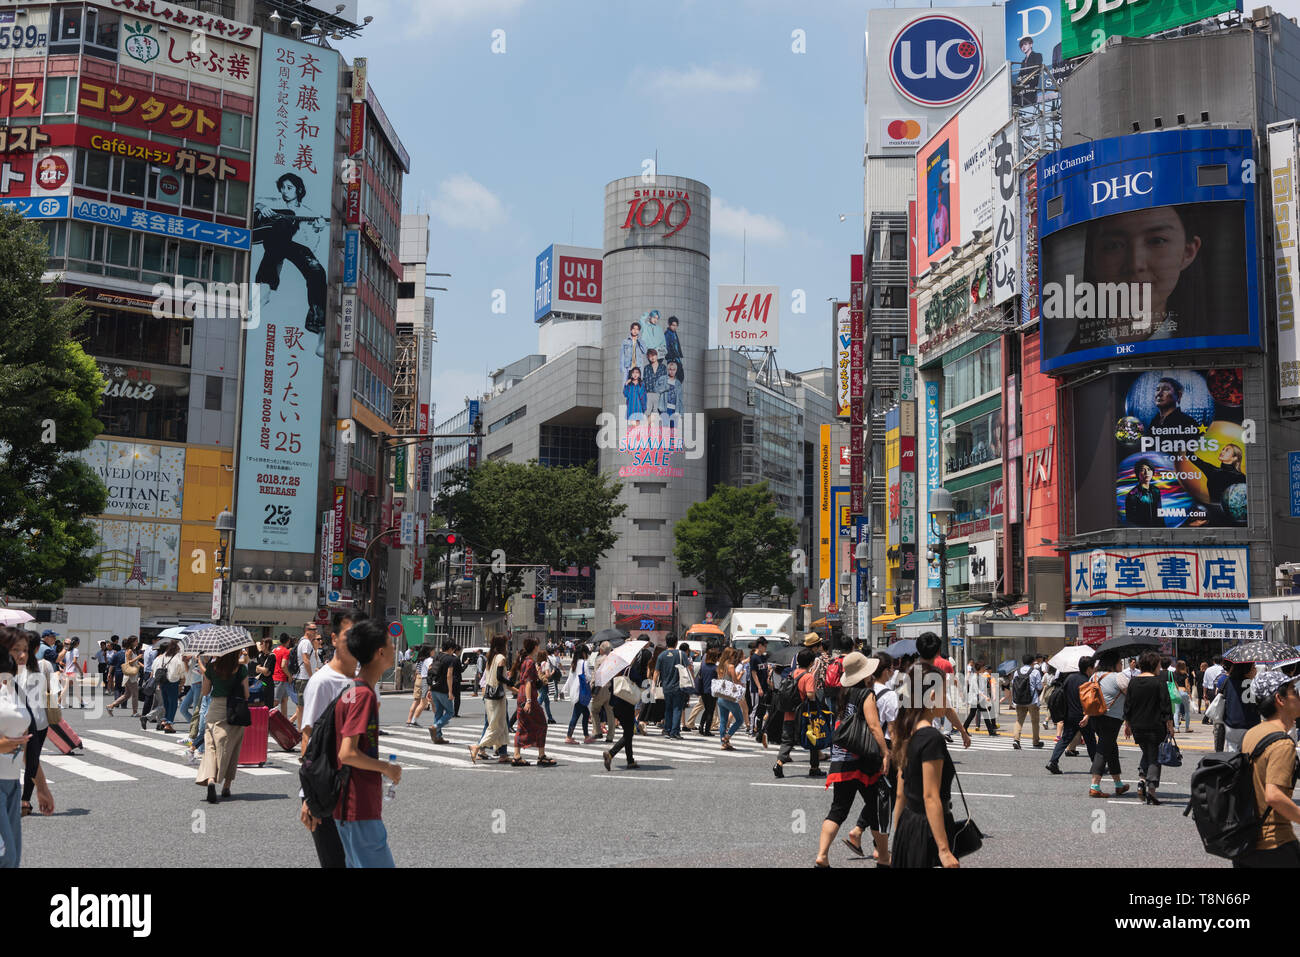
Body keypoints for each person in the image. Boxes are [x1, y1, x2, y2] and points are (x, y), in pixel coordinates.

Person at [332, 617, 400, 867]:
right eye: (391, 645)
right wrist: (387, 768)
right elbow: (347, 753)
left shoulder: (351, 690)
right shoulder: (363, 695)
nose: (394, 649)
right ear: (380, 652)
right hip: (358, 804)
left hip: (349, 804)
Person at [814, 653, 889, 868]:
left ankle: (822, 854)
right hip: (862, 759)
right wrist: (885, 753)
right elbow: (874, 727)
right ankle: (884, 857)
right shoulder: (866, 694)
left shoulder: (843, 693)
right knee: (875, 808)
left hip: (841, 757)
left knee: (838, 809)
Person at [300, 611, 361, 869]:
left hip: (358, 791)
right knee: (335, 862)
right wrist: (308, 797)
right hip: (328, 791)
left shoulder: (363, 680)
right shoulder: (322, 682)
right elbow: (308, 739)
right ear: (334, 639)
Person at [890, 663, 959, 869]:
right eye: (944, 694)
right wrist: (944, 851)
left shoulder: (908, 732)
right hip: (928, 829)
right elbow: (930, 796)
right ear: (931, 697)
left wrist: (898, 837)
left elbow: (901, 793)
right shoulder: (931, 738)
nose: (947, 701)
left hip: (908, 825)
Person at [254, 172, 329, 355]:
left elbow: (311, 245)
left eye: (289, 188)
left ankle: (319, 324)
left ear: (299, 190)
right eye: (283, 187)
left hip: (294, 247)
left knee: (317, 272)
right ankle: (265, 287)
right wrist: (261, 207)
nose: (285, 191)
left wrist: (318, 229)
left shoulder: (309, 214)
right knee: (281, 228)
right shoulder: (272, 202)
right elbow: (252, 200)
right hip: (271, 238)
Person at [1236, 670, 1300, 868]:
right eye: (1293, 691)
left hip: (1245, 840)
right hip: (1274, 844)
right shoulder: (1282, 743)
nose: (1298, 696)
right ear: (1280, 699)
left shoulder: (1253, 733)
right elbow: (1273, 795)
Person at [843, 651, 899, 864]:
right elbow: (891, 729)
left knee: (875, 793)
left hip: (863, 746)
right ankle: (878, 847)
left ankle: (858, 832)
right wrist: (894, 753)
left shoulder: (862, 690)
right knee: (886, 797)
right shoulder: (889, 695)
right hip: (884, 747)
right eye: (892, 669)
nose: (893, 672)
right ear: (885, 671)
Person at [0, 628, 39, 867]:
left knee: (13, 858)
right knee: (6, 857)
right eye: (16, 650)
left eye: (25, 650)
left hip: (12, 783)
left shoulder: (14, 688)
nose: (22, 656)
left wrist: (41, 787)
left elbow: (29, 740)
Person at [195, 649, 249, 805]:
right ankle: (226, 785)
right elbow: (246, 694)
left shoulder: (212, 668)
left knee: (211, 747)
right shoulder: (241, 669)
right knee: (231, 748)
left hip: (215, 709)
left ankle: (211, 779)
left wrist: (206, 675)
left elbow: (205, 692)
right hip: (234, 710)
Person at [1124, 651, 1176, 806]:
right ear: (1154, 665)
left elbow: (1128, 706)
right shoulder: (1159, 682)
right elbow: (1166, 706)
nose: (1160, 668)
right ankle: (1151, 790)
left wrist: (1127, 725)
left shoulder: (1133, 682)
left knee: (1147, 752)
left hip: (1137, 726)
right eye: (1159, 665)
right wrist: (1170, 726)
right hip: (1155, 725)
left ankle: (1141, 778)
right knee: (1154, 757)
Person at [14, 633, 54, 819]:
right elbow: (53, 690)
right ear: (38, 648)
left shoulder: (14, 668)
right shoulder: (45, 665)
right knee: (33, 760)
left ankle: (19, 798)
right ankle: (25, 799)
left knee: (19, 758)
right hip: (40, 720)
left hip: (19, 719)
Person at [1086, 656, 1131, 799]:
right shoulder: (1119, 677)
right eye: (1119, 662)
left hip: (1095, 716)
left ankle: (1118, 784)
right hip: (1112, 718)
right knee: (1103, 749)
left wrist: (1086, 716)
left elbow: (1090, 697)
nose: (1121, 666)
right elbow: (1131, 695)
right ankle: (1094, 786)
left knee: (1111, 748)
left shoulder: (1094, 676)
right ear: (1113, 664)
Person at [773, 647, 822, 779]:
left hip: (788, 713)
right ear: (811, 663)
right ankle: (814, 767)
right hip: (804, 715)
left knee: (787, 741)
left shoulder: (792, 673)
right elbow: (810, 694)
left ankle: (779, 763)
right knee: (813, 739)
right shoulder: (807, 677)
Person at [1046, 656, 1098, 774]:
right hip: (1083, 716)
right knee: (1090, 741)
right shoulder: (1087, 681)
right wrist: (1088, 715)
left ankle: (1052, 761)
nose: (1094, 669)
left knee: (1064, 739)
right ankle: (1096, 766)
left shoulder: (1070, 678)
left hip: (1070, 715)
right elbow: (1089, 701)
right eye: (1093, 667)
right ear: (1089, 668)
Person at [510, 638, 555, 767]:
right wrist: (529, 701)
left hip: (521, 695)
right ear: (534, 647)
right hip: (528, 697)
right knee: (542, 723)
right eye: (538, 646)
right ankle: (541, 755)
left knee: (522, 725)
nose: (539, 648)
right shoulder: (529, 662)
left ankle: (517, 756)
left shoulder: (525, 661)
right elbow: (529, 682)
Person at [471, 635, 512, 764]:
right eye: (506, 643)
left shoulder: (491, 657)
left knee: (502, 725)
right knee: (497, 726)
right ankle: (478, 746)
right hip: (497, 697)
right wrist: (511, 682)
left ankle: (503, 754)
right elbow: (500, 677)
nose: (507, 645)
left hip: (489, 696)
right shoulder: (501, 658)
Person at [1218, 661, 1260, 754]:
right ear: (1247, 670)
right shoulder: (1255, 683)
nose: (1256, 670)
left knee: (1233, 756)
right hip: (1251, 726)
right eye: (1253, 667)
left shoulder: (1228, 681)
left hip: (1231, 725)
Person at [655, 634, 688, 740]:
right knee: (677, 708)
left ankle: (667, 730)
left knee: (668, 709)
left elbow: (656, 672)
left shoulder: (661, 655)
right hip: (678, 686)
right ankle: (675, 732)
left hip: (666, 687)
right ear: (676, 642)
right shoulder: (681, 654)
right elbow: (689, 668)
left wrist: (653, 685)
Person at [564, 643, 597, 745]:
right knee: (576, 715)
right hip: (581, 693)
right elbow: (587, 677)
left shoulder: (574, 663)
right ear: (583, 653)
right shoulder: (584, 663)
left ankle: (585, 736)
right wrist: (593, 678)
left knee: (585, 714)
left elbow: (570, 679)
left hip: (575, 693)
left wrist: (564, 690)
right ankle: (570, 737)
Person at [426, 640, 458, 744]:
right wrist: (450, 691)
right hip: (443, 688)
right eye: (453, 649)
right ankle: (435, 726)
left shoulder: (436, 657)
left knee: (438, 713)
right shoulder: (450, 659)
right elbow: (449, 675)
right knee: (450, 712)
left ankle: (438, 737)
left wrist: (430, 688)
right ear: (450, 649)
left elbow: (430, 671)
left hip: (434, 687)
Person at [1010, 654, 1043, 750]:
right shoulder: (1035, 672)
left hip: (1019, 700)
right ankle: (1035, 741)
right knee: (1035, 722)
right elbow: (1039, 687)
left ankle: (1016, 740)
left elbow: (1014, 685)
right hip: (1032, 700)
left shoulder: (1017, 672)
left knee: (1019, 720)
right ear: (1032, 662)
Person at [715, 648, 745, 750]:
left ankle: (723, 743)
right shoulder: (731, 666)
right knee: (740, 719)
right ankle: (727, 737)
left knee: (723, 721)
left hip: (721, 696)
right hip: (729, 697)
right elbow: (735, 681)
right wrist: (741, 679)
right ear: (729, 655)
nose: (734, 658)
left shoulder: (720, 666)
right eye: (733, 655)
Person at [294, 623, 321, 729]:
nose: (315, 631)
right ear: (306, 630)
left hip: (304, 678)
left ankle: (301, 728)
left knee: (303, 706)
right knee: (302, 706)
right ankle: (301, 730)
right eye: (313, 629)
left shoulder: (306, 642)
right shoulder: (306, 643)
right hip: (305, 678)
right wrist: (311, 677)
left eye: (316, 629)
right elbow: (306, 660)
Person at [108, 636, 142, 716]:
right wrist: (138, 657)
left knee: (127, 695)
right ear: (132, 642)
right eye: (136, 641)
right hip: (130, 676)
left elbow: (134, 662)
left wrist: (142, 665)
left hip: (130, 675)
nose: (137, 642)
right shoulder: (129, 651)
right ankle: (135, 712)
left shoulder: (132, 650)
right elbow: (129, 662)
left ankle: (111, 706)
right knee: (135, 694)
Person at [589, 641, 615, 744]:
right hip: (611, 689)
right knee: (610, 713)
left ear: (602, 650)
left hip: (601, 688)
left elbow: (595, 675)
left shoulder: (599, 660)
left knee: (594, 710)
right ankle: (610, 736)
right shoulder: (614, 661)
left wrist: (592, 687)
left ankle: (598, 731)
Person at [962, 661, 998, 736]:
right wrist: (985, 697)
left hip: (979, 700)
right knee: (972, 715)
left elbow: (983, 687)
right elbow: (977, 690)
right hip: (975, 700)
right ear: (980, 668)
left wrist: (988, 677)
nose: (984, 669)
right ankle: (964, 729)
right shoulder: (974, 677)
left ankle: (991, 732)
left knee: (983, 714)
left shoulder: (981, 676)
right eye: (983, 667)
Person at [747, 637, 771, 737]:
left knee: (762, 709)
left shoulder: (763, 658)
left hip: (764, 686)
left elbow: (764, 671)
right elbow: (754, 673)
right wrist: (759, 687)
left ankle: (759, 728)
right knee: (755, 708)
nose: (766, 648)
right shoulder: (754, 658)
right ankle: (751, 730)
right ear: (760, 646)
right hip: (756, 688)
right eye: (765, 646)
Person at [695, 647, 720, 737]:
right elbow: (718, 679)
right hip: (712, 691)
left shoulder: (703, 666)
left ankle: (701, 727)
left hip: (703, 691)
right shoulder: (715, 668)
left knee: (706, 709)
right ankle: (707, 730)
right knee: (711, 711)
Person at [272, 633, 295, 720]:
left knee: (284, 700)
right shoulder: (286, 651)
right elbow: (283, 665)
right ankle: (266, 719)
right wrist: (289, 676)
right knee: (276, 701)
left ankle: (284, 720)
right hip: (281, 678)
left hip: (276, 677)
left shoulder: (274, 650)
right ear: (288, 641)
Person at [406, 648, 430, 727]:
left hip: (418, 679)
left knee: (416, 701)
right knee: (423, 702)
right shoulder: (426, 661)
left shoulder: (418, 661)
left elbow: (416, 671)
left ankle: (409, 719)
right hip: (423, 679)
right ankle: (413, 720)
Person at [1171, 659, 1193, 733]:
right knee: (1187, 711)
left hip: (1177, 692)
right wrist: (1189, 694)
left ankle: (1177, 728)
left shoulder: (1173, 673)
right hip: (1184, 692)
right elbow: (1187, 685)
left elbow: (1174, 684)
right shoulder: (1185, 674)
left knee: (1176, 711)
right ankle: (1187, 728)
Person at [1203, 655, 1225, 723]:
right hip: (1219, 689)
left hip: (1210, 690)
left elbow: (1205, 683)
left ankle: (1209, 719)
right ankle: (1213, 719)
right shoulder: (1223, 669)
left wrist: (1204, 693)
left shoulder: (1208, 669)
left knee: (1212, 703)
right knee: (1219, 705)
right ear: (1221, 661)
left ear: (1213, 661)